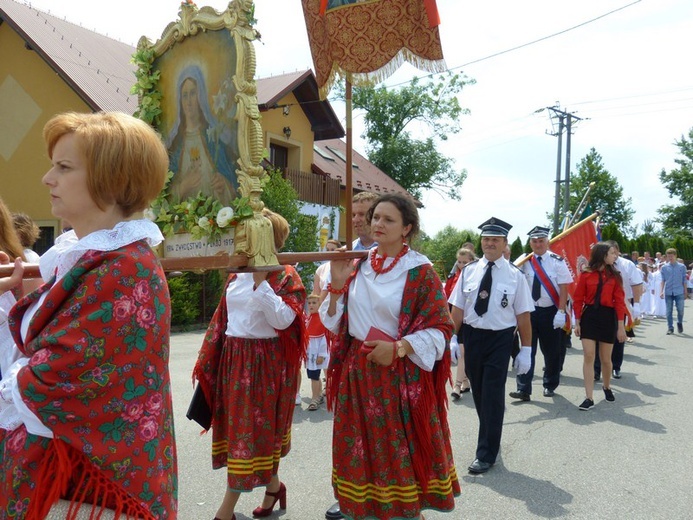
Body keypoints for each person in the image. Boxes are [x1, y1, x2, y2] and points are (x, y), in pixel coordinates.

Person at [0, 111, 177, 518]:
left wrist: (14, 381)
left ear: (112, 180)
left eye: (63, 167)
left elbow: (58, 374)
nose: (48, 178)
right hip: (63, 464)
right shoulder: (87, 256)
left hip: (91, 481)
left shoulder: (125, 267)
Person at [320, 193, 459, 520]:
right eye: (375, 217)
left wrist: (398, 348)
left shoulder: (420, 271)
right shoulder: (358, 262)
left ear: (407, 228)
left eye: (388, 219)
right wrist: (337, 285)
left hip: (399, 379)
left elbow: (442, 327)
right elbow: (334, 321)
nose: (377, 224)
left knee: (396, 463)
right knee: (362, 460)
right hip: (358, 375)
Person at [192, 208, 306, 520]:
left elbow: (284, 321)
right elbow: (225, 319)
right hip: (234, 360)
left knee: (249, 437)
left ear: (266, 238)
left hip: (263, 365)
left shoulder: (286, 274)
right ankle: (274, 486)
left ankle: (225, 512)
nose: (241, 239)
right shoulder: (236, 273)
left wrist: (262, 283)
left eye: (248, 234)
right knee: (245, 435)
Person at [449, 217, 534, 474]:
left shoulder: (515, 276)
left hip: (500, 339)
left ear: (504, 243)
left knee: (493, 394)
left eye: (495, 240)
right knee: (479, 393)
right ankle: (491, 436)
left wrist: (527, 351)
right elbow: (458, 309)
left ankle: (486, 452)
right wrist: (452, 337)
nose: (490, 244)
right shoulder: (469, 271)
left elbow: (523, 316)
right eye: (486, 239)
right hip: (473, 337)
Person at [509, 226, 573, 401]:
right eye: (534, 241)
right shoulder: (524, 261)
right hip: (529, 312)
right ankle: (523, 389)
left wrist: (561, 311)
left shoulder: (557, 261)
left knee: (551, 351)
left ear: (547, 242)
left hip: (550, 311)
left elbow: (564, 287)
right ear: (530, 243)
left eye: (541, 241)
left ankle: (549, 384)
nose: (538, 244)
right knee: (527, 350)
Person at [167, 65, 237, 205]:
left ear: (201, 96)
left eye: (193, 93)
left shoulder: (214, 139)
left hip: (212, 219)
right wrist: (182, 187)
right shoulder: (175, 145)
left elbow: (235, 186)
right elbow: (164, 197)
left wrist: (223, 184)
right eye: (184, 95)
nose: (188, 101)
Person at [572, 242, 627, 410]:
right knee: (589, 355)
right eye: (612, 253)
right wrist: (577, 321)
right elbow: (578, 299)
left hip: (608, 317)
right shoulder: (586, 274)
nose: (615, 256)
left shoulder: (616, 276)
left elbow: (619, 302)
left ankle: (607, 386)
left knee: (605, 359)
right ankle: (589, 397)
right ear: (603, 254)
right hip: (590, 316)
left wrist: (621, 326)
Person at [594, 240, 642, 379]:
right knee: (598, 337)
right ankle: (597, 370)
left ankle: (616, 366)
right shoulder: (599, 265)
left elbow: (637, 284)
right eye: (610, 252)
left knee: (618, 336)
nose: (613, 255)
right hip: (601, 305)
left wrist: (637, 305)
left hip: (621, 305)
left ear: (618, 251)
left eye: (614, 252)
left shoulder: (627, 265)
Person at [445, 247, 475, 400]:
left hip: (467, 318)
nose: (462, 265)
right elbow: (447, 298)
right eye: (459, 262)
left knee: (462, 352)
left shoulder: (475, 276)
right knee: (461, 352)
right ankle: (465, 380)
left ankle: (457, 385)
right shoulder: (453, 276)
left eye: (465, 262)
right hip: (454, 317)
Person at [305, 294, 329, 411]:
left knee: (314, 376)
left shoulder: (321, 319)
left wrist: (322, 355)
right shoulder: (309, 318)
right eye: (309, 303)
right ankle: (319, 395)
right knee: (314, 375)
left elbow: (324, 339)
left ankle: (314, 398)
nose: (311, 305)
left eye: (314, 303)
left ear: (319, 304)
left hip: (317, 353)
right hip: (310, 353)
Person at [660, 247, 687, 334]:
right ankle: (670, 327)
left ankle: (679, 322)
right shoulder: (664, 267)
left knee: (680, 309)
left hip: (679, 291)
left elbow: (684, 280)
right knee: (668, 311)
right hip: (668, 292)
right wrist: (661, 291)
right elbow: (662, 280)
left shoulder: (682, 267)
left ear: (675, 256)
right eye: (668, 256)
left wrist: (685, 291)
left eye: (671, 256)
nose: (670, 258)